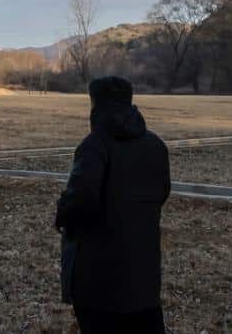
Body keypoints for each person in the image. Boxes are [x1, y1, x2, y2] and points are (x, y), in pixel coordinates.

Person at [55, 76, 171, 334]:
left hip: (98, 283)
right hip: (145, 277)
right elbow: (162, 193)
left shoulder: (94, 146)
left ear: (95, 105)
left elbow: (80, 200)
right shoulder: (156, 146)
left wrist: (62, 214)